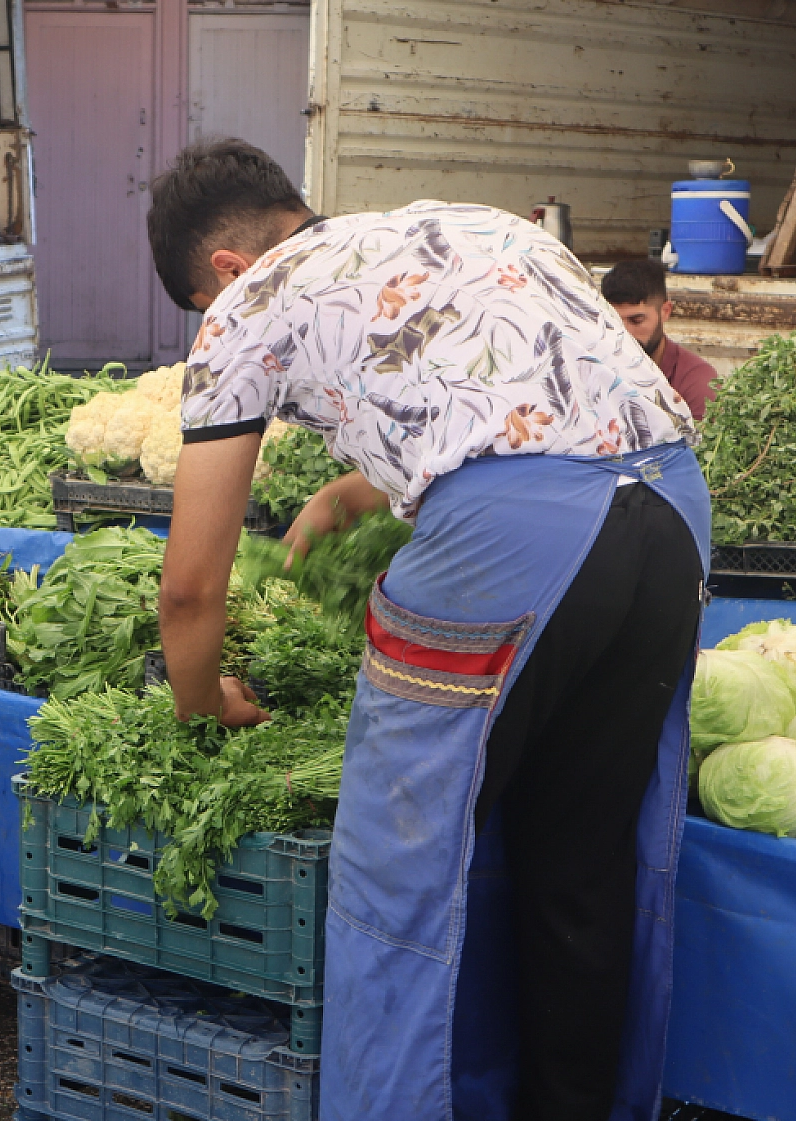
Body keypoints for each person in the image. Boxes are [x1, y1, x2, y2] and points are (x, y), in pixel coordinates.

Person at [147, 139, 710, 1121]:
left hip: (515, 542)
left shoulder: (245, 303)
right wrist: (358, 489)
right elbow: (518, 408)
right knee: (577, 862)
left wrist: (201, 699)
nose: (215, 319)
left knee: (393, 883)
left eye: (206, 303)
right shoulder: (462, 223)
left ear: (227, 271)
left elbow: (190, 591)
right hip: (671, 518)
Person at [602, 259, 718, 420]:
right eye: (614, 321)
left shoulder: (697, 381)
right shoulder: (594, 367)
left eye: (637, 320)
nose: (624, 333)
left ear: (665, 311)